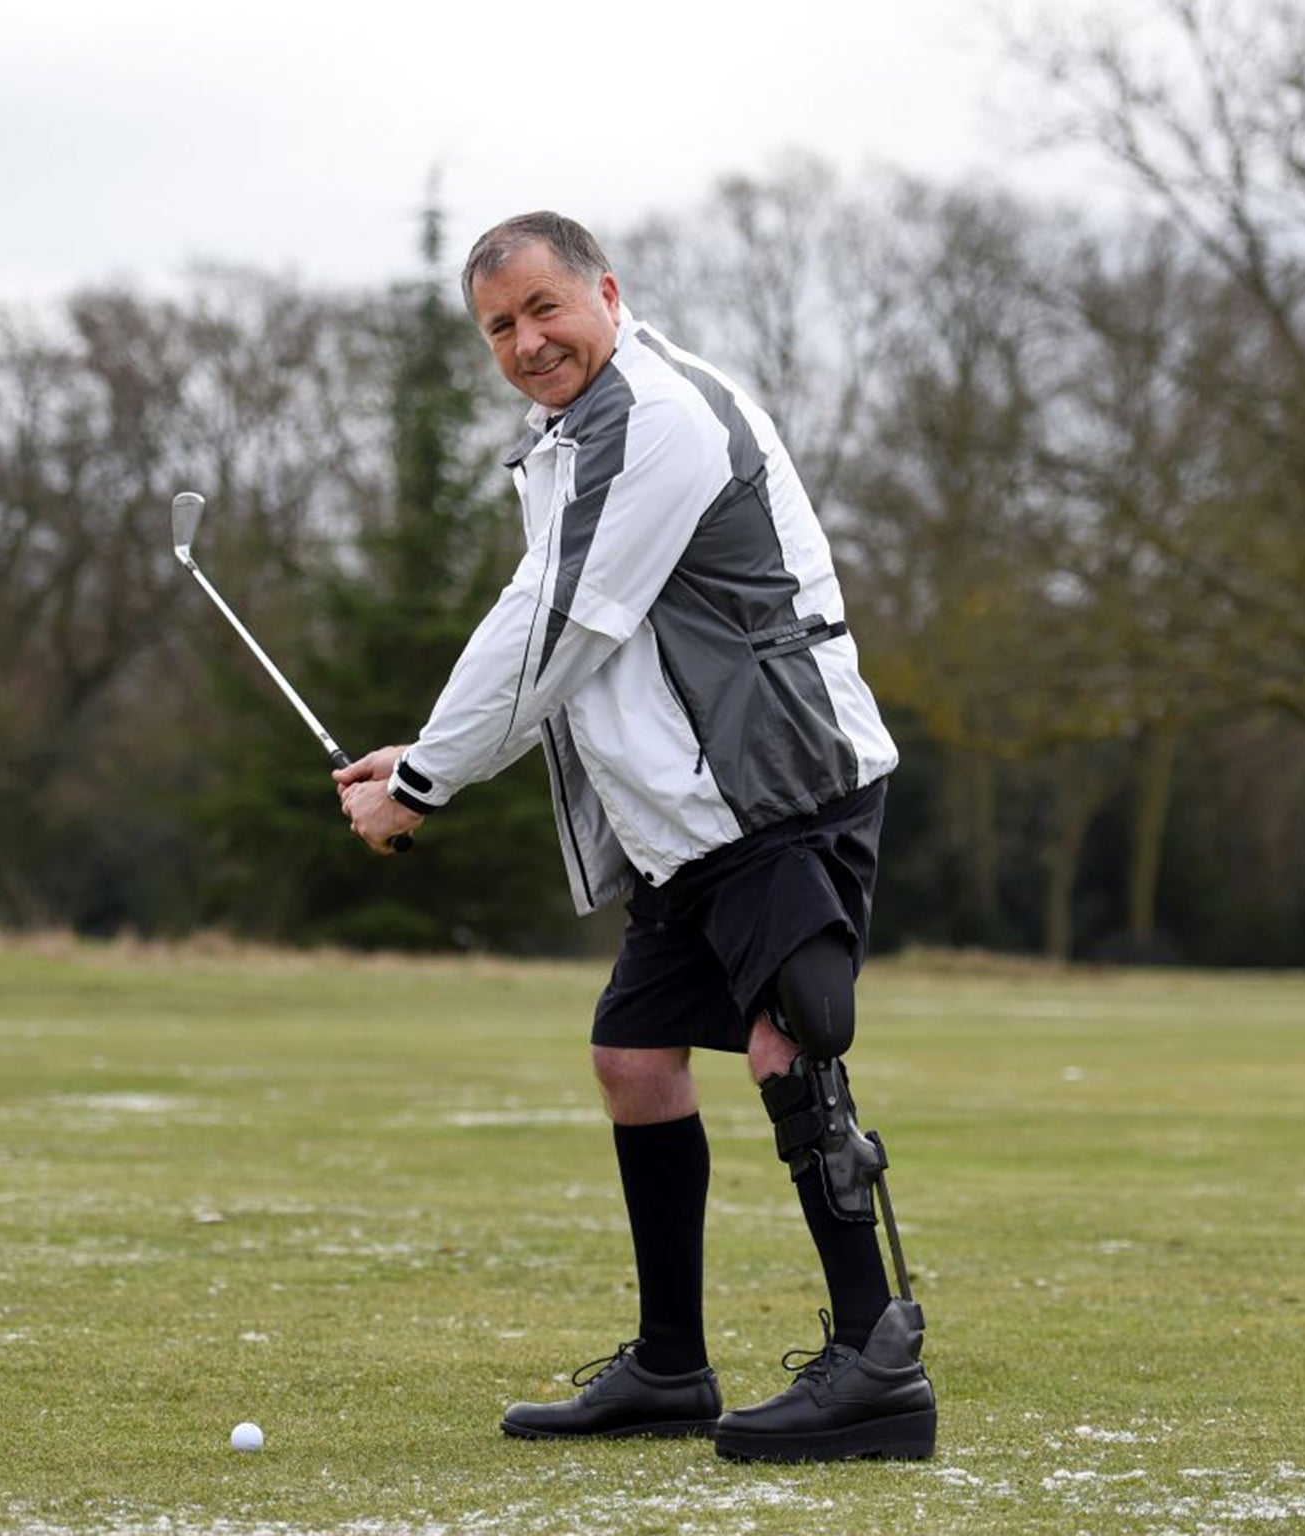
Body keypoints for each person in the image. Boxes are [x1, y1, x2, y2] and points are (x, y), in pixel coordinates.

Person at [334, 211, 934, 1464]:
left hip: (777, 781)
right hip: (686, 816)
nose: (526, 341)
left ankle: (877, 1366)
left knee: (788, 1045)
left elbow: (559, 626)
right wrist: (426, 752)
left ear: (605, 291)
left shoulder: (654, 420)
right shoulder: (566, 439)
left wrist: (430, 786)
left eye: (545, 308)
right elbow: (535, 611)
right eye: (499, 326)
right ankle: (670, 1368)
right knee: (635, 1058)